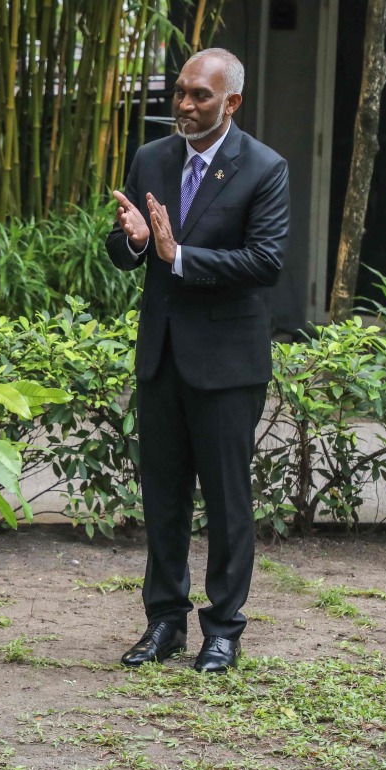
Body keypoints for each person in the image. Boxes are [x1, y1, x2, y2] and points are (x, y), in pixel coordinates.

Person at [105, 49, 290, 673]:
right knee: (163, 497)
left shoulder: (264, 168)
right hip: (161, 356)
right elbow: (125, 244)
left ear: (231, 103)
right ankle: (164, 623)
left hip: (227, 365)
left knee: (228, 500)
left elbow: (265, 262)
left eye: (200, 96)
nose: (184, 105)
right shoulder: (152, 158)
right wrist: (132, 243)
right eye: (180, 92)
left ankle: (223, 630)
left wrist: (178, 255)